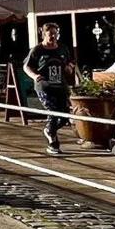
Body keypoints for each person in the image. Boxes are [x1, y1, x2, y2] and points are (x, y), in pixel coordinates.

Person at [22, 23, 76, 155]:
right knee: (53, 111)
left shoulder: (63, 48)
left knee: (64, 116)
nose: (53, 36)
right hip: (45, 86)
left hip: (60, 86)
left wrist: (69, 67)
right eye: (50, 33)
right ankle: (53, 142)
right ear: (44, 34)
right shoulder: (38, 50)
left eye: (55, 33)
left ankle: (49, 130)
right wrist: (35, 76)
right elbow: (26, 66)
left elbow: (71, 61)